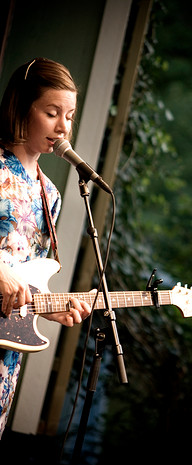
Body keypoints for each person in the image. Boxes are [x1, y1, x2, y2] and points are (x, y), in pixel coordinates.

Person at [0, 57, 92, 438]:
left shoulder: (49, 194)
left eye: (69, 116)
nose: (63, 127)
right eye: (52, 112)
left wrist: (50, 309)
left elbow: (27, 277)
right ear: (22, 107)